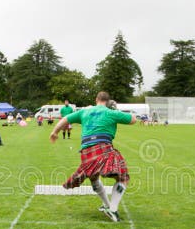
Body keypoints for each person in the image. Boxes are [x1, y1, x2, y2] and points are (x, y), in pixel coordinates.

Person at [50, 91, 135, 222]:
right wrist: (116, 112)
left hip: (86, 151)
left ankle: (107, 206)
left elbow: (65, 120)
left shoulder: (84, 111)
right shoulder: (111, 112)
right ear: (107, 101)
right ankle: (112, 209)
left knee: (93, 177)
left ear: (96, 100)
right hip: (103, 147)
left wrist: (54, 132)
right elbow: (133, 120)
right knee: (123, 177)